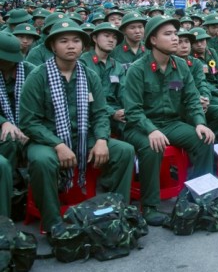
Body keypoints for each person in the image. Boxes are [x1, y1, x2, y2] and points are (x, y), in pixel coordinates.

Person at [19, 21, 134, 231]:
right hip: (47, 139)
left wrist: (100, 139)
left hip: (83, 135)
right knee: (43, 161)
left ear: (83, 46)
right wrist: (58, 145)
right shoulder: (38, 76)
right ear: (53, 46)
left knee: (124, 151)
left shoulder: (88, 75)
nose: (70, 46)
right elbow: (29, 122)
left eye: (76, 41)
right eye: (63, 41)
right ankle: (54, 224)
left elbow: (99, 113)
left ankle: (116, 213)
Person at [122, 15, 216, 226]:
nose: (175, 38)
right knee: (152, 146)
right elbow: (133, 110)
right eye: (168, 34)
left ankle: (199, 194)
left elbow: (192, 99)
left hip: (171, 124)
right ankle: (150, 206)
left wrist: (200, 122)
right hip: (141, 125)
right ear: (153, 40)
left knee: (204, 139)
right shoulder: (138, 69)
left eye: (175, 33)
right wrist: (150, 129)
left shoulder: (181, 66)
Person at [0, 33, 35, 218]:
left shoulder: (29, 70)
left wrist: (29, 128)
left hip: (29, 125)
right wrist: (4, 122)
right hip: (5, 130)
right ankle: (10, 192)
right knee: (9, 141)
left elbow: (41, 104)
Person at [81, 23, 126, 136]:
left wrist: (128, 110)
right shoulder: (83, 63)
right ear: (95, 38)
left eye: (114, 37)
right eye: (106, 36)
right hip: (90, 112)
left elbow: (124, 92)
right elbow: (85, 95)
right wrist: (112, 112)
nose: (111, 40)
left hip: (116, 111)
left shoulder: (117, 66)